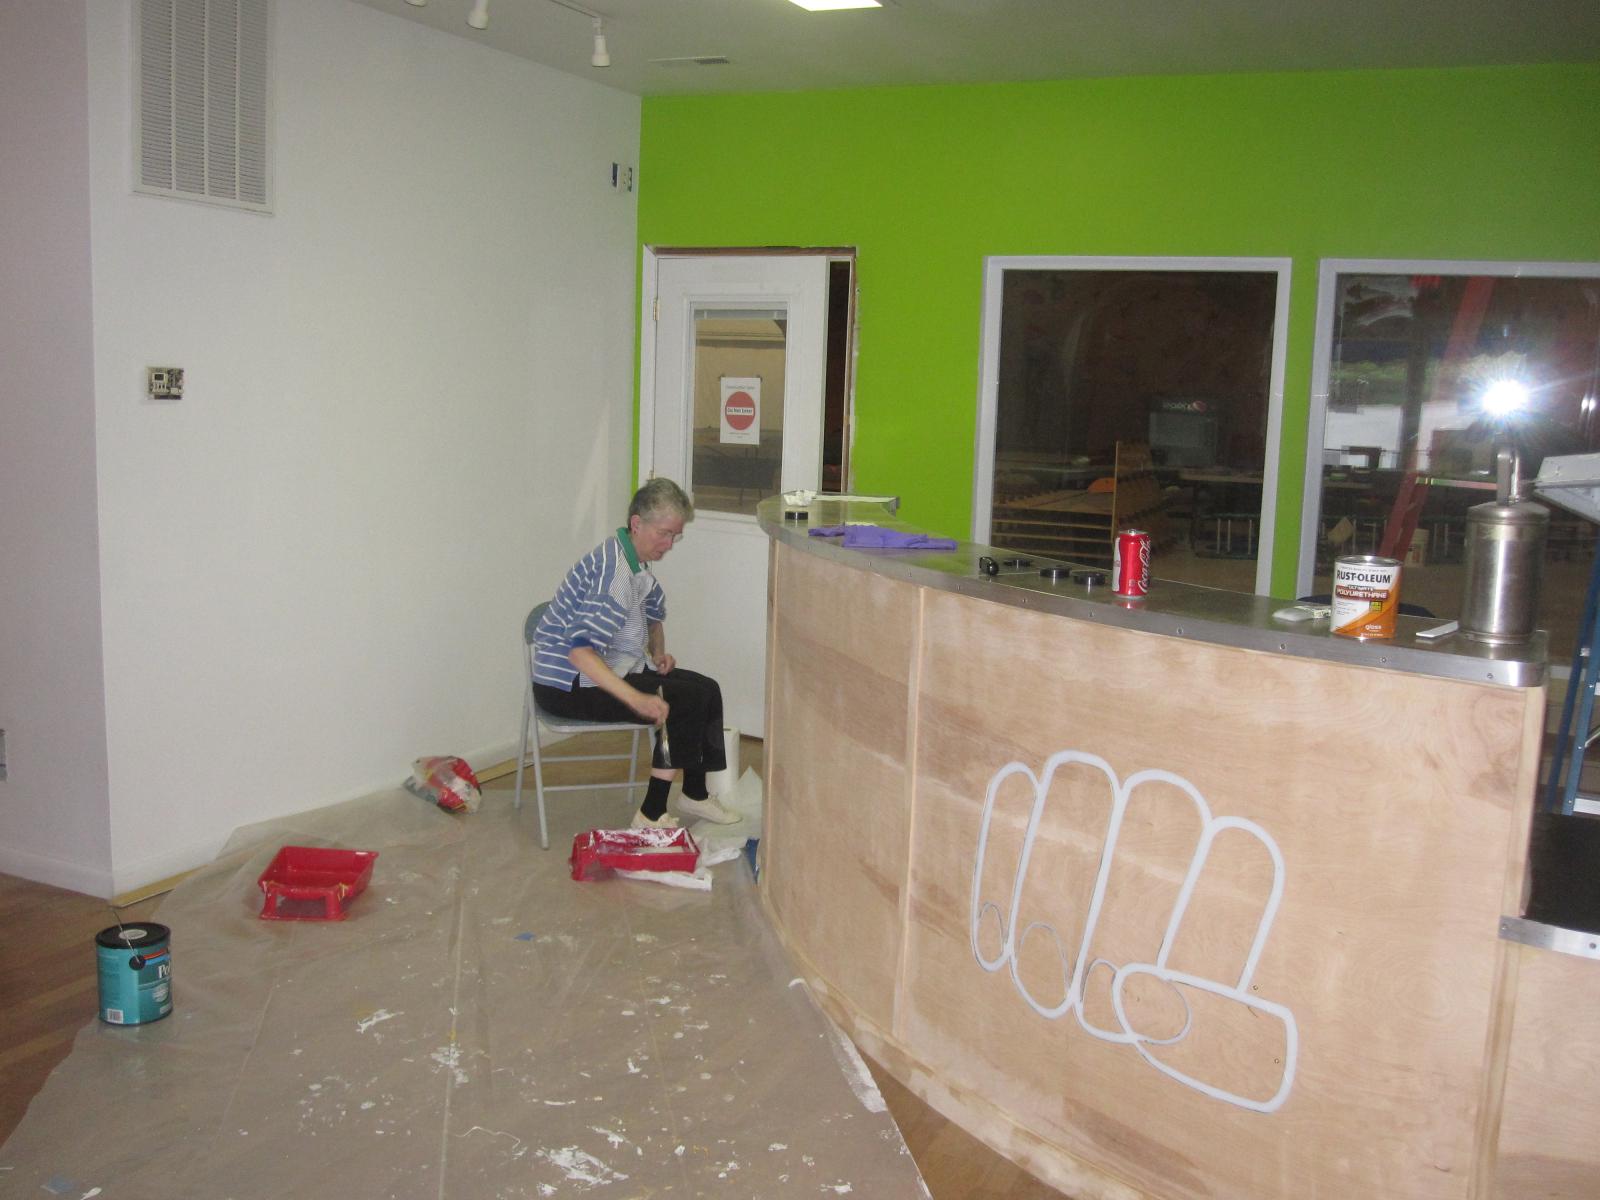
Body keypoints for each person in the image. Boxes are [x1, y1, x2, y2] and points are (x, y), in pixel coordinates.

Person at [531, 478, 738, 829]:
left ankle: (695, 793)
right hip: (566, 685)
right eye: (664, 534)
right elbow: (579, 653)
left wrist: (658, 652)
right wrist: (636, 698)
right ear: (637, 523)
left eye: (675, 536)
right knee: (683, 701)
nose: (668, 544)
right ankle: (651, 814)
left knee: (707, 689)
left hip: (610, 666)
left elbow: (654, 614)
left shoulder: (636, 563)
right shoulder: (613, 574)